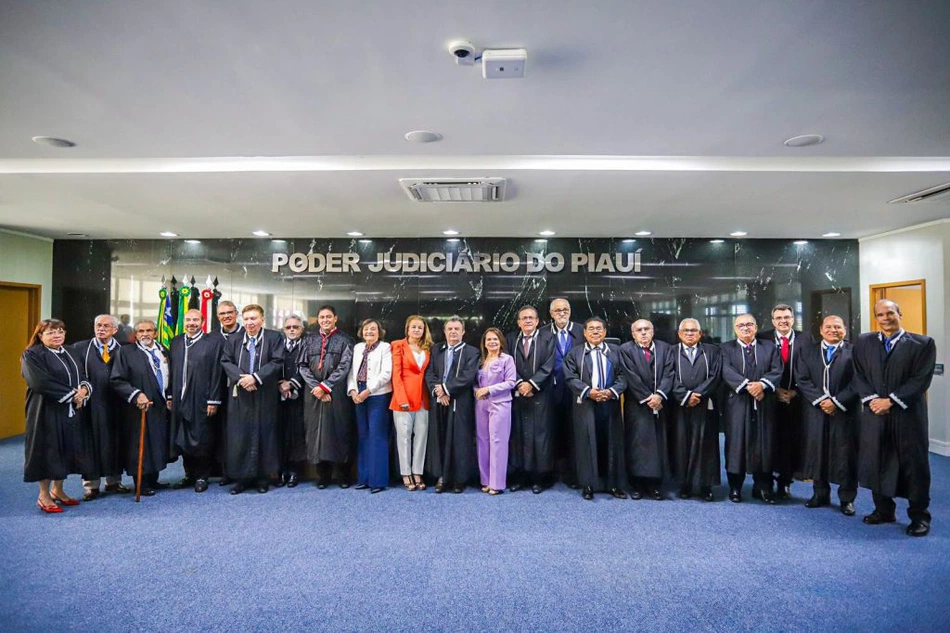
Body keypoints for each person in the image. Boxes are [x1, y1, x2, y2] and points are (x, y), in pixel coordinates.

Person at [852, 299, 936, 537]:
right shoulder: (864, 342)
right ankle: (884, 510)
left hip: (907, 416)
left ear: (900, 314)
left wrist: (891, 401)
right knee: (877, 460)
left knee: (914, 466)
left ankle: (919, 517)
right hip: (874, 414)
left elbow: (921, 380)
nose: (886, 318)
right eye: (881, 314)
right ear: (876, 318)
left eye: (890, 313)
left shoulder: (922, 344)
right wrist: (871, 400)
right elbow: (859, 375)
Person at [22, 319, 92, 513]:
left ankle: (58, 490)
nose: (57, 335)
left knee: (65, 450)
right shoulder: (33, 355)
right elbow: (40, 382)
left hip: (70, 411)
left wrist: (84, 390)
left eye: (60, 331)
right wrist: (73, 395)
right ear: (40, 335)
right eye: (51, 332)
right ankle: (43, 495)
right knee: (47, 451)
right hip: (45, 411)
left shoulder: (71, 351)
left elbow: (84, 374)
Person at [794, 315, 858, 515]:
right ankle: (820, 494)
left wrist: (836, 402)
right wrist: (821, 400)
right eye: (828, 327)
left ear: (845, 330)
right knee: (817, 451)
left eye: (837, 327)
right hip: (816, 410)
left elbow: (859, 380)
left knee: (846, 455)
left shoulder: (855, 352)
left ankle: (847, 499)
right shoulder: (807, 351)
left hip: (845, 411)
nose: (833, 330)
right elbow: (802, 379)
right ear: (821, 330)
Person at [220, 304, 285, 494]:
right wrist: (243, 379)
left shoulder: (274, 337)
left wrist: (255, 377)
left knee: (265, 434)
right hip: (240, 395)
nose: (250, 323)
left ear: (262, 320)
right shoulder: (234, 339)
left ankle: (262, 478)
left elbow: (277, 361)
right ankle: (241, 478)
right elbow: (226, 361)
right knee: (240, 435)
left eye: (254, 318)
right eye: (246, 319)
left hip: (264, 394)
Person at [720, 314, 783, 504]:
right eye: (741, 325)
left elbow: (777, 370)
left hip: (764, 403)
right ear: (735, 328)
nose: (745, 328)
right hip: (737, 403)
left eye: (749, 324)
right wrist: (749, 386)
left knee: (764, 444)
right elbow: (725, 370)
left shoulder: (769, 347)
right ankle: (735, 488)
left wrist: (762, 385)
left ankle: (762, 487)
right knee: (736, 444)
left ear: (756, 327)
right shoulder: (725, 348)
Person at [563, 317, 627, 500]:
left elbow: (624, 376)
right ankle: (589, 484)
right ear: (584, 333)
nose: (595, 332)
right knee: (587, 444)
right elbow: (570, 377)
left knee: (611, 443)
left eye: (599, 329)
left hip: (610, 403)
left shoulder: (616, 352)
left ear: (605, 332)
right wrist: (588, 391)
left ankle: (613, 485)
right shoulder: (575, 354)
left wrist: (611, 391)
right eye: (591, 328)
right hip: (586, 405)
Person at [110, 320, 171, 496]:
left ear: (156, 333)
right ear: (135, 335)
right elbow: (117, 379)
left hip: (160, 404)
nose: (145, 334)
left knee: (157, 442)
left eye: (149, 330)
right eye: (141, 331)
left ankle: (153, 479)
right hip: (138, 407)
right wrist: (136, 394)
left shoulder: (163, 351)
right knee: (140, 443)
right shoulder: (126, 352)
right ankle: (141, 482)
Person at [72, 314, 129, 500]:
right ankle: (91, 486)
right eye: (98, 325)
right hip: (90, 405)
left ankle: (114, 481)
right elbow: (75, 374)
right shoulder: (80, 348)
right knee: (91, 444)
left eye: (106, 326)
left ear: (115, 330)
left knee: (115, 442)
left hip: (116, 405)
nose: (101, 329)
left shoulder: (124, 350)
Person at [167, 309, 223, 493]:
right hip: (178, 397)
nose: (191, 323)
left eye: (195, 320)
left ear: (203, 321)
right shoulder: (176, 342)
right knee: (182, 438)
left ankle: (201, 476)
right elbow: (171, 371)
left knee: (201, 438)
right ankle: (188, 474)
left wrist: (213, 400)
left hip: (201, 398)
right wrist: (170, 396)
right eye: (188, 320)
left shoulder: (212, 343)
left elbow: (217, 373)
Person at [299, 305, 355, 489]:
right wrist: (316, 387)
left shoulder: (345, 340)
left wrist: (326, 386)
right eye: (322, 317)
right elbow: (302, 365)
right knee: (316, 434)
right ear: (318, 319)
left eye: (329, 317)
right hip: (313, 394)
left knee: (340, 431)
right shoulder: (308, 339)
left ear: (335, 318)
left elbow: (345, 366)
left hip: (337, 393)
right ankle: (323, 476)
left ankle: (344, 475)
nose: (325, 320)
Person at [757, 303, 809, 500]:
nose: (783, 321)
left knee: (790, 442)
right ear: (773, 321)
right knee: (767, 442)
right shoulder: (763, 338)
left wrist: (795, 392)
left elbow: (810, 368)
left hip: (795, 399)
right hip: (769, 398)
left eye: (787, 317)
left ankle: (785, 482)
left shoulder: (805, 339)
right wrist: (774, 389)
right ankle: (765, 483)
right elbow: (758, 367)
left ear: (793, 319)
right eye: (779, 318)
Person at [619, 319, 675, 500]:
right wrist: (647, 398)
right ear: (632, 333)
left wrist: (659, 395)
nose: (643, 333)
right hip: (637, 404)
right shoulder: (625, 350)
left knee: (658, 444)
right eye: (639, 330)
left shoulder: (665, 348)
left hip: (660, 403)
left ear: (653, 331)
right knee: (637, 444)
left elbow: (669, 373)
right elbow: (630, 376)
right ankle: (636, 484)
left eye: (647, 329)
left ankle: (655, 484)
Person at [668, 318, 722, 502]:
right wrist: (684, 396)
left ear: (700, 334)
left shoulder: (712, 351)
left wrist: (698, 394)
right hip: (679, 405)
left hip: (705, 405)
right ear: (679, 334)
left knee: (705, 445)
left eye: (693, 331)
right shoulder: (671, 352)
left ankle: (706, 486)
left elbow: (715, 376)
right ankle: (685, 484)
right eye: (686, 330)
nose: (690, 334)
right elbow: (669, 376)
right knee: (682, 444)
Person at [424, 316, 479, 493]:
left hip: (460, 402)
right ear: (445, 331)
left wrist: (446, 389)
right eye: (450, 329)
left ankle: (458, 480)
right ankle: (441, 477)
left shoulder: (472, 352)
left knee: (459, 441)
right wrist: (438, 391)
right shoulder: (436, 350)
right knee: (439, 439)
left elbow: (468, 376)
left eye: (457, 329)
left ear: (463, 332)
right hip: (439, 401)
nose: (453, 332)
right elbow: (429, 373)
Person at [506, 305, 557, 493]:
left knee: (540, 437)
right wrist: (520, 383)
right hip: (517, 395)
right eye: (524, 318)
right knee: (518, 436)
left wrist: (532, 384)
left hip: (541, 394)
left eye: (531, 318)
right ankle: (520, 476)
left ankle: (539, 478)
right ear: (519, 322)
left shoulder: (548, 338)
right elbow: (508, 363)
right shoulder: (511, 339)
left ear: (537, 321)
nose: (528, 321)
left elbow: (549, 364)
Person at [347, 318, 393, 493]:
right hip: (358, 394)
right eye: (366, 329)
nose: (369, 332)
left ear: (379, 332)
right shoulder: (358, 348)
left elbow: (386, 374)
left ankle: (378, 481)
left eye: (373, 329)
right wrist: (352, 391)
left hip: (377, 395)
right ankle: (364, 478)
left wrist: (368, 390)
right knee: (363, 436)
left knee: (377, 436)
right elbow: (352, 371)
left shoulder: (385, 347)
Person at [389, 315, 432, 491]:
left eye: (420, 327)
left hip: (423, 398)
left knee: (421, 437)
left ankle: (417, 472)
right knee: (404, 437)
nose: (416, 330)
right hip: (403, 398)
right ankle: (406, 474)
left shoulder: (428, 348)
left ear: (424, 330)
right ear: (407, 329)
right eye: (413, 327)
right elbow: (396, 375)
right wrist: (401, 398)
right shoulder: (398, 345)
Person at [546, 297, 583, 487]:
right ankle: (552, 472)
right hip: (550, 390)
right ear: (551, 314)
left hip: (577, 391)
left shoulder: (582, 330)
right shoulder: (543, 332)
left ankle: (573, 474)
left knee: (574, 432)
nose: (562, 313)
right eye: (558, 310)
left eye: (565, 310)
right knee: (551, 431)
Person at [475, 328, 517, 495]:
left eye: (495, 339)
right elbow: (475, 382)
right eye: (488, 340)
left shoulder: (507, 359)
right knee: (483, 441)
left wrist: (489, 389)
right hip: (481, 404)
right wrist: (477, 391)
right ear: (484, 343)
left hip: (500, 404)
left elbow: (511, 382)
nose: (491, 342)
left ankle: (497, 484)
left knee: (498, 443)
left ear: (501, 342)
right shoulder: (481, 360)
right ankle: (485, 480)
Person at [212, 300, 244, 485]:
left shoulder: (245, 333)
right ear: (218, 317)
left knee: (237, 432)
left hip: (240, 390)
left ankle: (238, 471)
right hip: (217, 391)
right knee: (221, 433)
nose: (226, 316)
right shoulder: (212, 337)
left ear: (236, 313)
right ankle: (225, 471)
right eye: (222, 314)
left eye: (230, 312)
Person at [277, 315, 307, 487]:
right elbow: (271, 364)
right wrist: (280, 384)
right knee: (279, 435)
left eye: (296, 327)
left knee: (296, 435)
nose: (292, 330)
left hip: (299, 396)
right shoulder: (277, 345)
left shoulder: (306, 346)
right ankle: (281, 470)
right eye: (288, 327)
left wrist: (291, 384)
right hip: (277, 396)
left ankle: (295, 472)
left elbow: (307, 368)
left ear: (301, 329)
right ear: (284, 329)